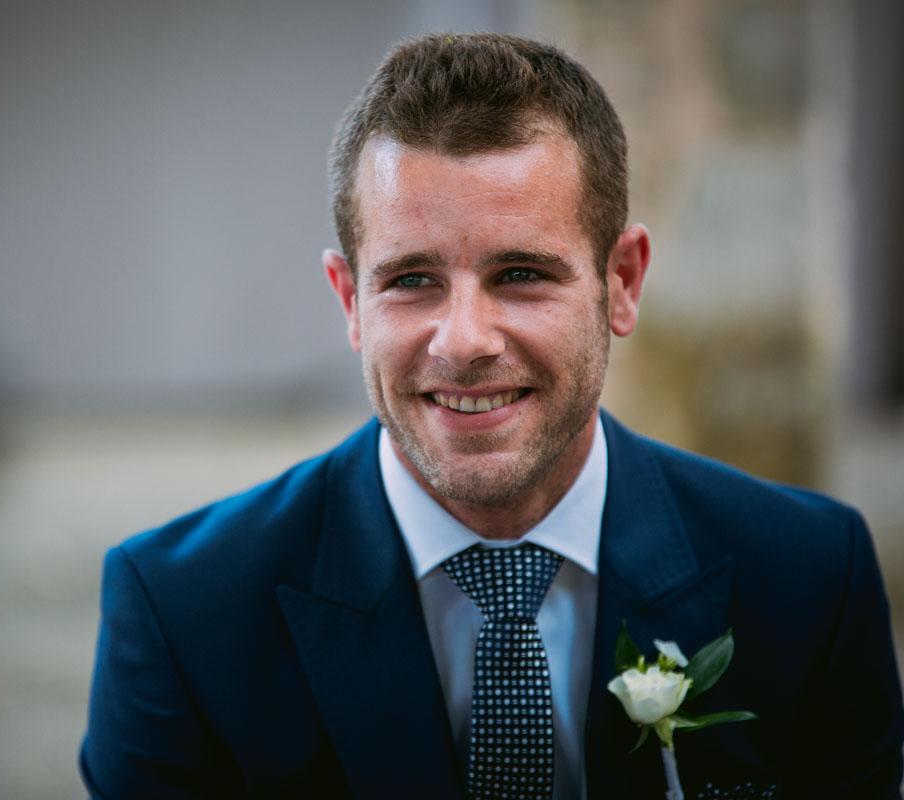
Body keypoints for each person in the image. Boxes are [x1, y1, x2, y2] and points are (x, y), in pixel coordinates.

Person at [79, 33, 904, 799]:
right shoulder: (184, 613)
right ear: (350, 300)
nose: (464, 341)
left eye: (520, 274)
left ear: (621, 282)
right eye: (411, 280)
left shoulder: (809, 581)